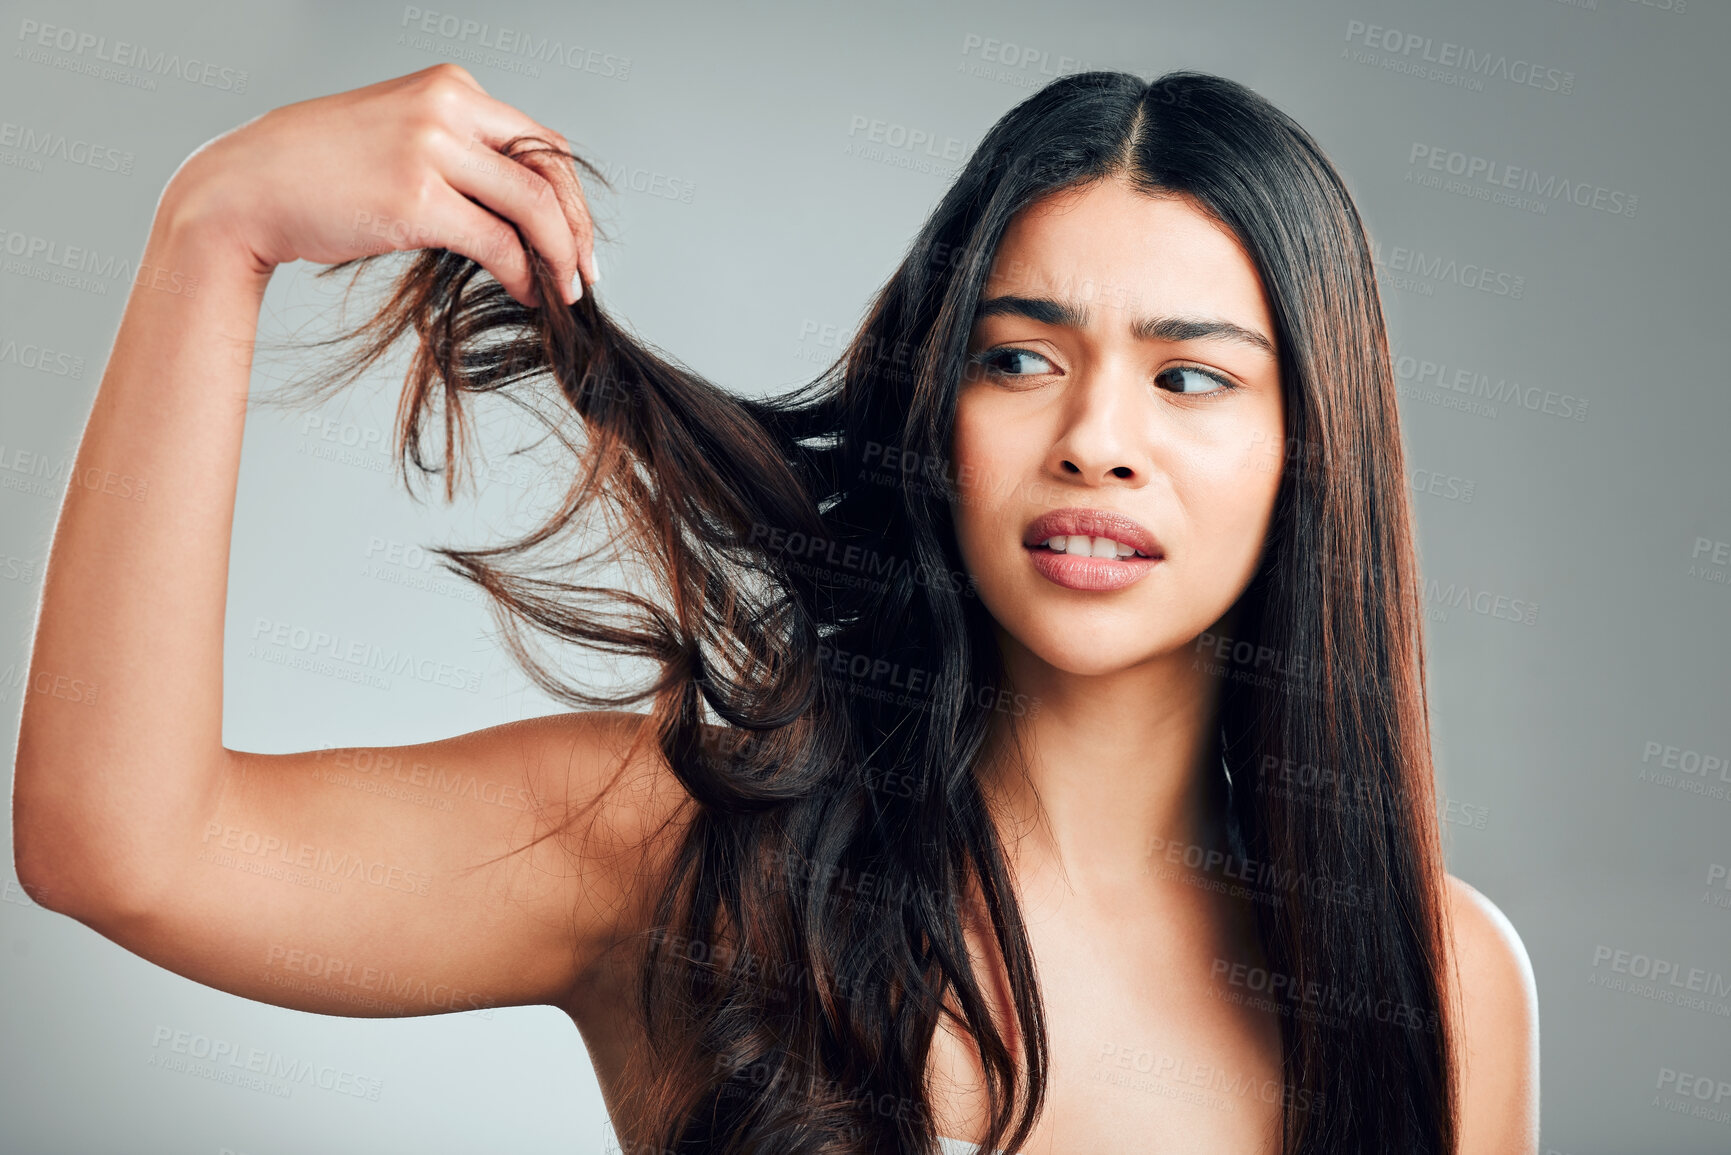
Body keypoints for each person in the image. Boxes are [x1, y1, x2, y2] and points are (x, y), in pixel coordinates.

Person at [12, 63, 1538, 1154]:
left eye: (1190, 375)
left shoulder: (1441, 981)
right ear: (935, 407)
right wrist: (214, 233)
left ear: (1309, 454)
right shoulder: (677, 847)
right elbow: (118, 845)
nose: (1096, 435)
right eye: (1018, 357)